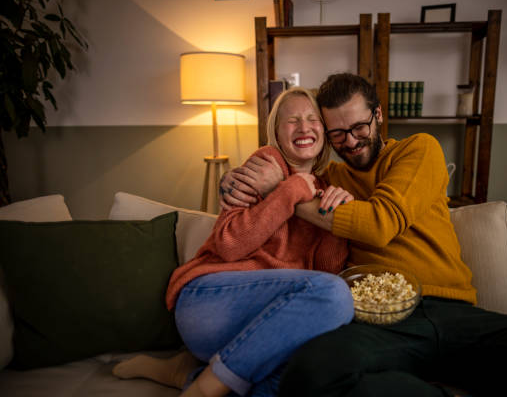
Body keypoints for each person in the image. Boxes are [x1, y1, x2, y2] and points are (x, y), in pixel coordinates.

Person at [219, 73, 507, 396]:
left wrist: (284, 194)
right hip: (378, 324)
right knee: (310, 371)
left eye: (358, 127)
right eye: (337, 134)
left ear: (378, 115)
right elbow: (276, 177)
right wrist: (234, 181)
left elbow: (379, 223)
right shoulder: (328, 178)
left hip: (454, 311)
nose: (351, 142)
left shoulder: (418, 150)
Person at [112, 87, 355, 397]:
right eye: (292, 120)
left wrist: (335, 220)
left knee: (303, 372)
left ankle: (183, 373)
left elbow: (326, 271)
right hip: (211, 301)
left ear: (324, 129)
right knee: (335, 294)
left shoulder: (325, 188)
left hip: (262, 321)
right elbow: (230, 244)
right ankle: (204, 387)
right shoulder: (265, 164)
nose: (304, 127)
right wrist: (290, 189)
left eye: (312, 119)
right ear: (277, 133)